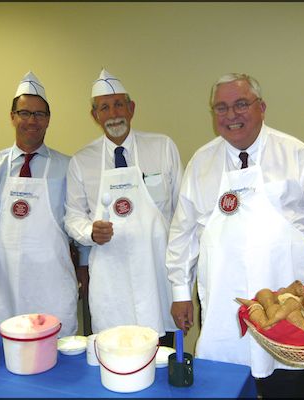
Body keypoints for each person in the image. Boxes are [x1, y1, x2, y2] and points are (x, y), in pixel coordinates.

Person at [166, 73, 304, 398]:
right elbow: (183, 233)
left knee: (288, 388)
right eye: (221, 108)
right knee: (224, 388)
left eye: (241, 104)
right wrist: (180, 291)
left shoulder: (295, 155)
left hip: (286, 309)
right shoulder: (202, 162)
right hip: (224, 309)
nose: (231, 115)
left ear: (262, 107)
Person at [64, 69, 183, 346]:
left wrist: (182, 281)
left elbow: (182, 215)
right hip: (110, 279)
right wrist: (90, 232)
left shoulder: (162, 147)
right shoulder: (82, 161)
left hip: (157, 276)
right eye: (104, 107)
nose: (113, 113)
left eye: (119, 104)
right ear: (95, 115)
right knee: (115, 357)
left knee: (162, 356)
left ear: (131, 108)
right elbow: (72, 216)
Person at [0, 71, 80, 337]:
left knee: (56, 355)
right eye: (25, 113)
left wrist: (85, 271)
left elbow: (77, 225)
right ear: (12, 116)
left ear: (48, 120)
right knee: (6, 354)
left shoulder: (68, 167)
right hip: (4, 284)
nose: (31, 121)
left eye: (39, 114)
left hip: (52, 283)